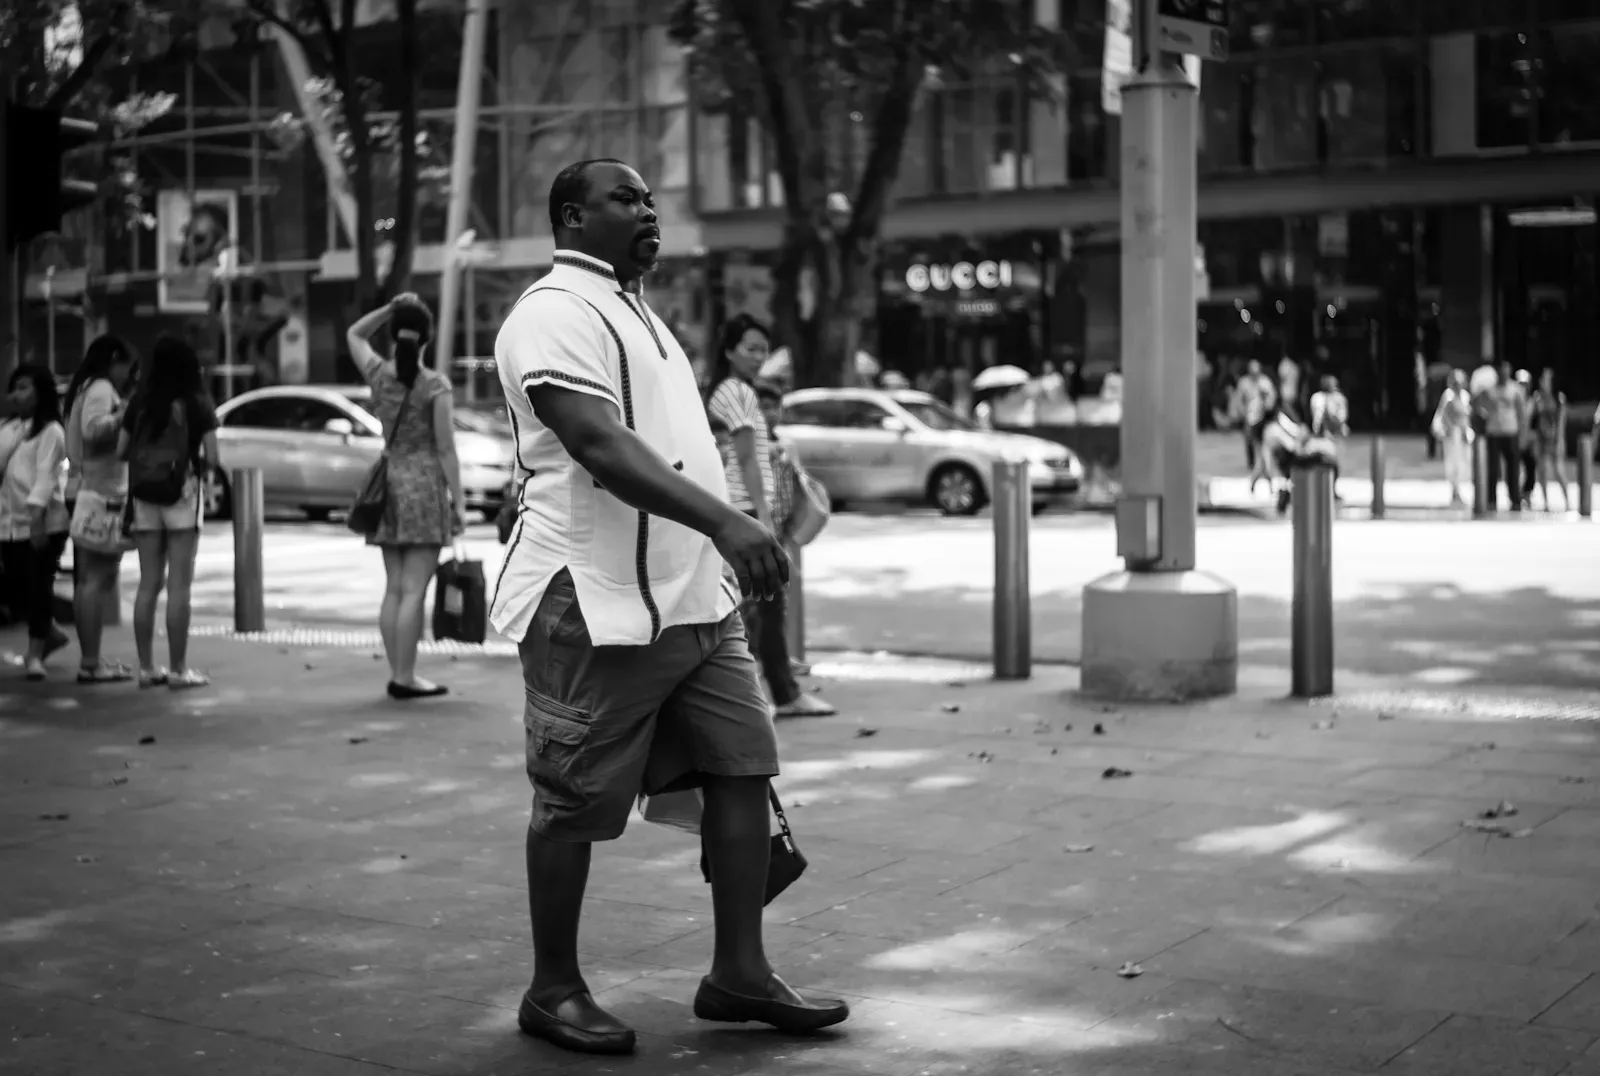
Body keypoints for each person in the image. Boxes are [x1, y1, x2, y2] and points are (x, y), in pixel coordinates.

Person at [490, 157, 847, 1057]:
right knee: (573, 799)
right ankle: (554, 988)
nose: (648, 210)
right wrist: (731, 523)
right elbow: (599, 446)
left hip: (696, 599)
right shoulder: (551, 313)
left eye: (652, 198)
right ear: (572, 217)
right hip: (592, 599)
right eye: (625, 199)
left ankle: (738, 973)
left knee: (743, 766)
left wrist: (721, 549)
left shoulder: (642, 313)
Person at [706, 318, 834, 718]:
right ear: (728, 351)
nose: (759, 357)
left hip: (739, 510)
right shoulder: (738, 393)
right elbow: (745, 459)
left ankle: (776, 691)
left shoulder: (731, 391)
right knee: (755, 605)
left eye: (764, 349)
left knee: (761, 603)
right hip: (744, 510)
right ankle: (774, 694)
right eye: (750, 348)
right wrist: (762, 519)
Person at [346, 293, 467, 700]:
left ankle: (399, 673)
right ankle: (405, 676)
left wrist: (389, 310)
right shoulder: (436, 386)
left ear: (395, 335)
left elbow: (355, 334)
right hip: (425, 488)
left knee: (395, 587)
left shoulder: (379, 376)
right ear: (428, 339)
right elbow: (446, 449)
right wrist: (460, 501)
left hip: (388, 486)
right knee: (414, 590)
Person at [119, 336, 219, 690]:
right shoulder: (197, 402)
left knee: (148, 584)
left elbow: (121, 450)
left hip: (145, 496)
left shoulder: (139, 403)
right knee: (179, 586)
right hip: (182, 494)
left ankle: (146, 668)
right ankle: (178, 670)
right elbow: (214, 458)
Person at [63, 334, 138, 683]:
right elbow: (94, 431)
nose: (128, 374)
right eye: (126, 366)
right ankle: (91, 662)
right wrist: (124, 413)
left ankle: (90, 660)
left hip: (90, 492)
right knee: (96, 579)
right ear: (113, 360)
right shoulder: (101, 389)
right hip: (100, 494)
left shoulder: (86, 387)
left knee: (89, 580)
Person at [0, 365, 71, 680]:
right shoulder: (8, 428)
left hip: (43, 522)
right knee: (16, 587)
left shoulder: (51, 431)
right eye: (15, 387)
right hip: (8, 523)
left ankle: (34, 655)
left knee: (38, 585)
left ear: (41, 391)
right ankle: (49, 632)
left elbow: (45, 478)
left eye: (25, 387)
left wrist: (38, 520)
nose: (18, 394)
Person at [755, 379, 823, 683]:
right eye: (763, 407)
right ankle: (769, 663)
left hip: (778, 529)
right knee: (759, 603)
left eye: (774, 407)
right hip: (757, 529)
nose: (770, 414)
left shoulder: (782, 442)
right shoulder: (748, 444)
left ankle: (777, 658)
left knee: (777, 598)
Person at [1477, 362, 1525, 512]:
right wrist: (1484, 413)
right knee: (1492, 469)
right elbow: (1476, 402)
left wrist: (1523, 433)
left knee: (1513, 469)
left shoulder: (1515, 389)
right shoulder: (1490, 389)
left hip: (1511, 432)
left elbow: (1521, 412)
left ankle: (1515, 499)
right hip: (1494, 433)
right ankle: (1491, 500)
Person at [1527, 367, 1570, 513]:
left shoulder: (1559, 397)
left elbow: (1561, 422)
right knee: (1543, 471)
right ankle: (1546, 503)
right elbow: (1529, 416)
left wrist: (1560, 441)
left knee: (1558, 471)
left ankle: (1568, 502)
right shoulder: (1538, 397)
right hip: (1541, 439)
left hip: (1554, 439)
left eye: (1545, 378)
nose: (1542, 381)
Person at [1431, 369, 1475, 508]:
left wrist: (1467, 431)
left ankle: (1459, 491)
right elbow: (1444, 416)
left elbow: (1467, 416)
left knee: (1464, 464)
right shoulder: (1448, 396)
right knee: (1453, 464)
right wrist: (1453, 428)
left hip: (1464, 434)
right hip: (1453, 435)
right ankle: (1455, 492)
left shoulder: (1465, 396)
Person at [1232, 359, 1277, 491]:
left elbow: (1272, 401)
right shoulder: (1251, 396)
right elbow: (1240, 400)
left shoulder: (1265, 383)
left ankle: (1260, 483)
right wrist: (1242, 414)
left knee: (1264, 460)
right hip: (1256, 428)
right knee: (1262, 459)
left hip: (1263, 430)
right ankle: (1260, 482)